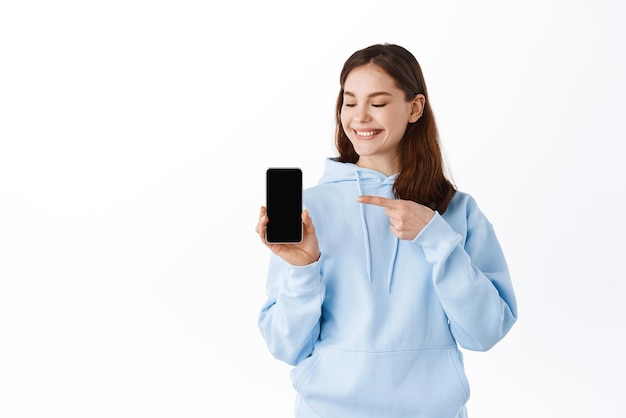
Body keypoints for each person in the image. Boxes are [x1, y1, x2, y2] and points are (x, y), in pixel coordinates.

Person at [255, 43, 517, 418]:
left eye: (377, 103)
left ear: (415, 108)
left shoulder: (455, 210)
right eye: (349, 102)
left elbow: (486, 331)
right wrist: (303, 269)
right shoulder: (308, 212)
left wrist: (436, 237)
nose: (359, 117)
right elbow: (285, 345)